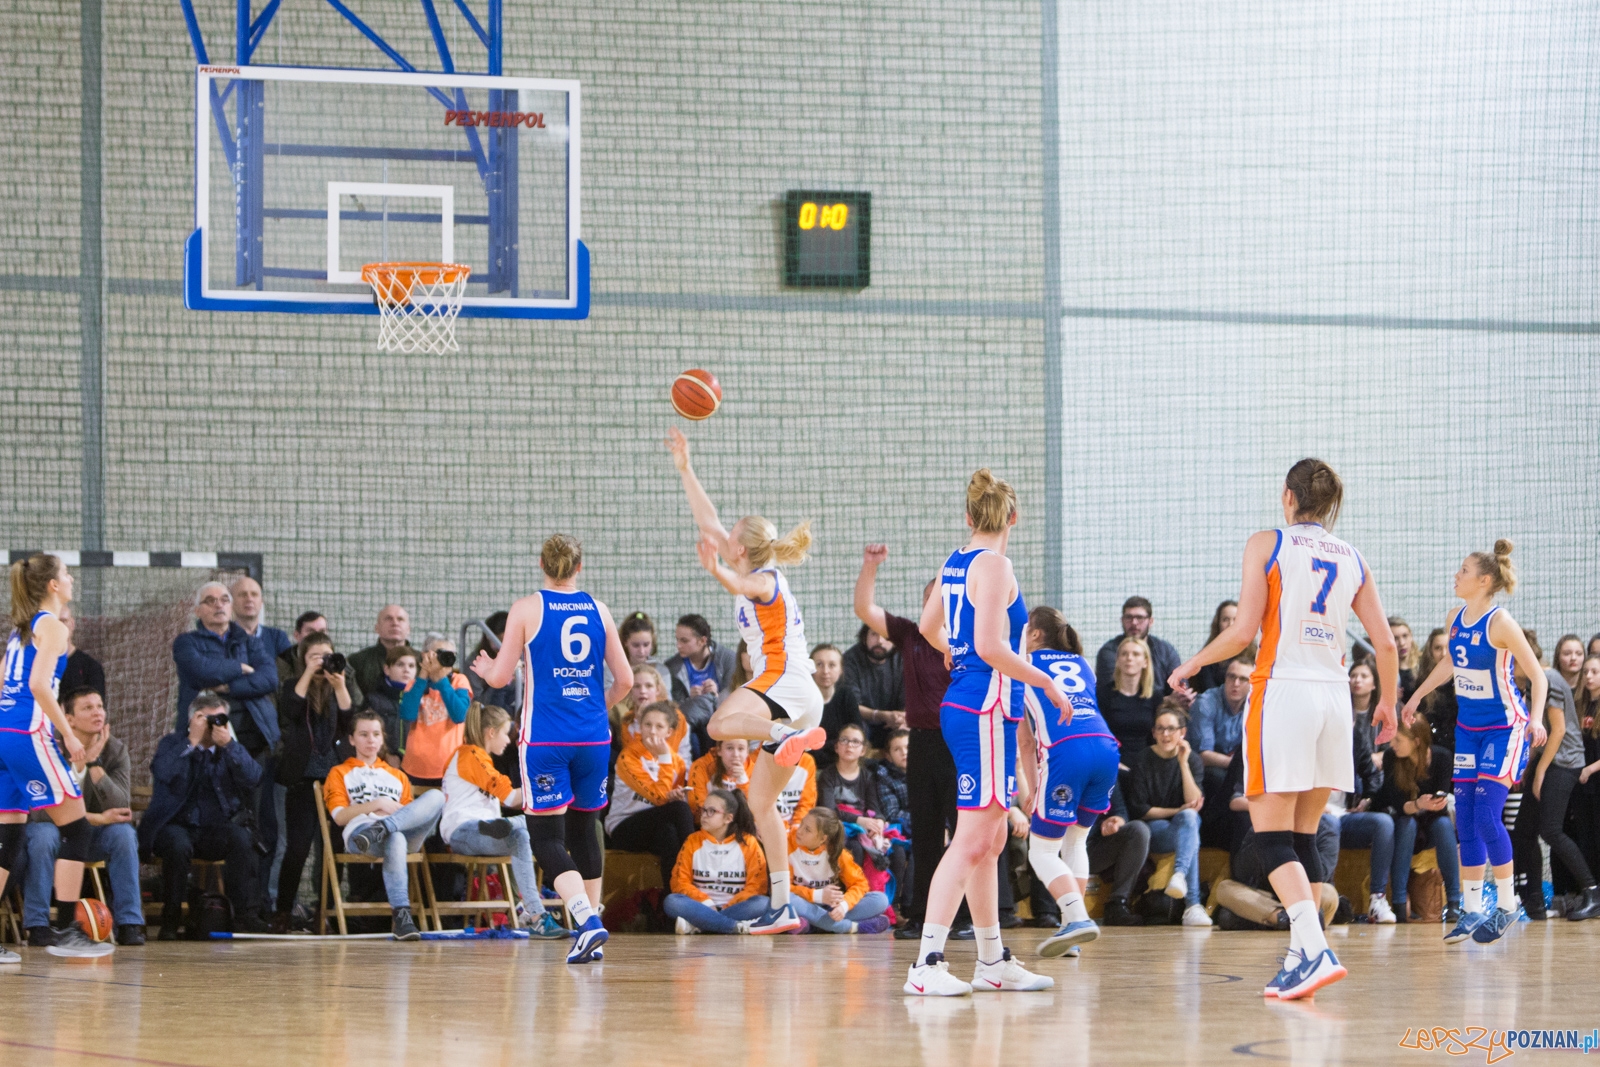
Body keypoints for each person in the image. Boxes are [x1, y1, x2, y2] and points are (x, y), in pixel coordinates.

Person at [1170, 458, 1398, 1001]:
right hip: (1335, 699)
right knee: (1303, 835)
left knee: (1270, 836)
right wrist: (1388, 701)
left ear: (1288, 496)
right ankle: (1302, 957)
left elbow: (1243, 631)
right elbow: (1386, 644)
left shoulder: (1266, 543)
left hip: (1283, 693)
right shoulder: (1353, 556)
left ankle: (1314, 951)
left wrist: (1190, 665)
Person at [905, 468, 1064, 997]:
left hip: (969, 704)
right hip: (985, 706)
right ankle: (927, 962)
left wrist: (956, 652)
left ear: (968, 516)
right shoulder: (995, 566)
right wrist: (1047, 683)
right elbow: (994, 647)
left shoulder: (956, 561)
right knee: (974, 837)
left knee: (993, 836)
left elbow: (930, 627)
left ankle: (993, 960)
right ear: (1013, 517)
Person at [666, 427, 827, 936]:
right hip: (802, 699)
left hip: (784, 684)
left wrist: (715, 570)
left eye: (728, 534)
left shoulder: (763, 580)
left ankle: (781, 734)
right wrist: (685, 466)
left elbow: (739, 582)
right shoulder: (758, 566)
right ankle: (783, 906)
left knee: (716, 726)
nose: (720, 534)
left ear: (741, 547)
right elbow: (706, 518)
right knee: (760, 804)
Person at [470, 533, 633, 964]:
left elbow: (502, 678)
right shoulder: (599, 610)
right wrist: (597, 708)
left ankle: (586, 922)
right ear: (580, 567)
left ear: (542, 563)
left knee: (546, 837)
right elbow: (626, 681)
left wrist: (488, 668)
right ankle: (591, 925)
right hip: (595, 738)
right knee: (585, 830)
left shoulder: (526, 608)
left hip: (546, 739)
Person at [1400, 540, 1546, 946]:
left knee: (1486, 817)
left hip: (1504, 727)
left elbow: (1538, 675)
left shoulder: (1501, 623)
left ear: (1484, 580)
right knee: (1463, 819)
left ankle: (1507, 904)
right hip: (1469, 728)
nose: (1455, 575)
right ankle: (1471, 908)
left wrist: (1535, 720)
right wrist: (1414, 698)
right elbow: (1450, 664)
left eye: (1463, 570)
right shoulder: (1455, 618)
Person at [0, 555, 116, 958]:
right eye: (66, 574)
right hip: (30, 735)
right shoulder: (52, 627)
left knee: (8, 836)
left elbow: (3, 683)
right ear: (52, 585)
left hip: (5, 735)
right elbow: (38, 685)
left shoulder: (20, 631)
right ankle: (67, 931)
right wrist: (67, 735)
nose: (71, 580)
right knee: (77, 828)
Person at [1012, 606, 1119, 956]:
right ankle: (1069, 928)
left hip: (1067, 752)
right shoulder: (1083, 664)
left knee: (1041, 850)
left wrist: (1031, 786)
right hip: (1106, 749)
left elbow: (1026, 742)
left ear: (1036, 634)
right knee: (1076, 842)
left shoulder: (1021, 665)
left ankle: (1076, 918)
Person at [20, 686, 143, 946]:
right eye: (88, 708)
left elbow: (120, 806)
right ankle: (38, 925)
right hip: (55, 831)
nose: (97, 713)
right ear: (69, 719)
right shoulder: (48, 748)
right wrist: (97, 818)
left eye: (99, 706)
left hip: (92, 838)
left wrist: (94, 763)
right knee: (42, 836)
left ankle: (130, 923)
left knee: (124, 834)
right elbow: (41, 813)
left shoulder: (115, 750)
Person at [140, 693, 267, 939]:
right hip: (175, 825)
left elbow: (254, 778)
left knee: (241, 839)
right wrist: (192, 741)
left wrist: (230, 745)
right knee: (178, 845)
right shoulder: (173, 743)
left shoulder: (229, 749)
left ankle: (243, 916)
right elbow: (163, 772)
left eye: (221, 719)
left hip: (214, 828)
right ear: (193, 720)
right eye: (208, 719)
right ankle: (170, 919)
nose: (215, 725)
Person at [440, 703, 567, 939]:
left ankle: (536, 916)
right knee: (532, 825)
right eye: (505, 733)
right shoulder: (469, 755)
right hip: (462, 831)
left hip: (483, 833)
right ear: (490, 732)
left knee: (521, 835)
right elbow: (510, 797)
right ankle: (517, 824)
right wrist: (551, 789)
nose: (509, 740)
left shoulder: (479, 758)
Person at [324, 708, 443, 941]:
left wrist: (391, 816)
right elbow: (339, 816)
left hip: (400, 831)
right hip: (362, 835)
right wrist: (376, 804)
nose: (371, 740)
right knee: (396, 837)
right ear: (351, 739)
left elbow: (411, 813)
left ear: (382, 738)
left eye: (376, 734)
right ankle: (402, 918)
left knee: (437, 797)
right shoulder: (339, 772)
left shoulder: (397, 775)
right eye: (364, 734)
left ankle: (384, 827)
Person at [1511, 632, 1600, 921]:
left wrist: (1539, 772)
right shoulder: (1534, 683)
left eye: (1511, 663)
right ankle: (1534, 902)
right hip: (1550, 761)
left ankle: (1592, 891)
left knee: (1551, 830)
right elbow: (1540, 731)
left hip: (1565, 762)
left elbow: (1558, 730)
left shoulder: (1546, 679)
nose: (1509, 670)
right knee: (1524, 829)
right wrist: (1528, 767)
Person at [271, 631, 353, 933]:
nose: (321, 662)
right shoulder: (295, 685)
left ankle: (326, 911)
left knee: (332, 848)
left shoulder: (338, 686)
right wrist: (308, 671)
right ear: (302, 658)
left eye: (325, 655)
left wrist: (339, 682)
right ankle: (283, 911)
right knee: (298, 848)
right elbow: (291, 708)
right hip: (302, 781)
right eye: (313, 656)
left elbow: (349, 720)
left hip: (335, 781)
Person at [1125, 702, 1210, 926]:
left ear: (1182, 733)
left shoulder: (1192, 760)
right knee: (1189, 827)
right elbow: (1141, 810)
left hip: (1184, 826)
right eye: (1160, 729)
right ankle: (1193, 905)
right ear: (1153, 732)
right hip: (1156, 829)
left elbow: (1193, 804)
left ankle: (1179, 876)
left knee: (1191, 820)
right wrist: (1177, 810)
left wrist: (1183, 764)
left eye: (1171, 729)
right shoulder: (1143, 759)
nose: (1165, 734)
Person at [1369, 716, 1461, 923]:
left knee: (1444, 825)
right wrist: (1419, 804)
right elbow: (1395, 802)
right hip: (1404, 816)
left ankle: (1454, 902)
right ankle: (1400, 902)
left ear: (1417, 742)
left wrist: (1431, 804)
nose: (1392, 745)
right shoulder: (1392, 758)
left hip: (1432, 818)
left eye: (1398, 740)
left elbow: (1441, 801)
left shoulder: (1442, 757)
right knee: (1407, 824)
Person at [171, 582, 279, 755]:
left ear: (231, 607)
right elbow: (202, 672)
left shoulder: (250, 642)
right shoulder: (186, 642)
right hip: (207, 738)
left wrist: (229, 687)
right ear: (197, 611)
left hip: (258, 735)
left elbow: (270, 679)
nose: (218, 604)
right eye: (210, 600)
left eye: (224, 600)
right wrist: (240, 667)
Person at [605, 701, 695, 886]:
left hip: (655, 825)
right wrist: (664, 758)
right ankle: (695, 864)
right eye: (647, 725)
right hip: (623, 826)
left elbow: (666, 798)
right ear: (640, 726)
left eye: (659, 726)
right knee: (679, 809)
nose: (652, 731)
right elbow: (659, 796)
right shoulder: (628, 757)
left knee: (668, 834)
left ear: (669, 732)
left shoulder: (676, 761)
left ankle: (673, 905)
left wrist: (675, 795)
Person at [816, 722, 907, 897]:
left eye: (855, 742)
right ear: (836, 747)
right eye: (844, 740)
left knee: (897, 852)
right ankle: (851, 896)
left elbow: (875, 807)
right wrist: (860, 821)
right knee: (854, 848)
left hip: (864, 827)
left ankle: (891, 905)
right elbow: (830, 810)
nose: (849, 745)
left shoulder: (867, 776)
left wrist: (878, 822)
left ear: (863, 750)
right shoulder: (828, 775)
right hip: (841, 827)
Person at [664, 788, 769, 934]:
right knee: (672, 901)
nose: (704, 816)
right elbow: (679, 881)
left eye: (711, 811)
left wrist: (728, 906)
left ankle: (701, 925)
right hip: (700, 906)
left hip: (735, 907)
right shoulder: (692, 841)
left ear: (728, 818)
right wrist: (706, 902)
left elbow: (757, 886)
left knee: (762, 904)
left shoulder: (748, 843)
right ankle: (733, 927)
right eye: (703, 810)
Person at [1327, 703, 1392, 924]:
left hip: (1344, 814)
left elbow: (1372, 774)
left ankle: (1377, 899)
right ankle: (1328, 898)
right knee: (1330, 825)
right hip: (1313, 815)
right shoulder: (1310, 739)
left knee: (1383, 823)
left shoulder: (1354, 739)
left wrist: (1367, 800)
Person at [789, 807, 891, 934]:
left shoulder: (838, 853)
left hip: (830, 907)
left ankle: (814, 925)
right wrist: (817, 895)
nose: (799, 831)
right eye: (802, 824)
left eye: (807, 829)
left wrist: (844, 906)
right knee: (787, 899)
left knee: (881, 900)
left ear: (823, 839)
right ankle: (852, 927)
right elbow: (781, 888)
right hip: (804, 903)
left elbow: (860, 884)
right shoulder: (787, 843)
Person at [1190, 652, 1253, 839]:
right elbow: (1204, 755)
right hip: (1206, 770)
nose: (1235, 684)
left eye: (1243, 679)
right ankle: (1211, 830)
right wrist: (1236, 765)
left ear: (1252, 684)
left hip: (1236, 769)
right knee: (1219, 778)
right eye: (1231, 677)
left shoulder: (1255, 706)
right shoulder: (1206, 703)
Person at [398, 635, 472, 788]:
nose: (445, 658)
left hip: (450, 767)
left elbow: (459, 715)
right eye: (440, 653)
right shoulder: (415, 684)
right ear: (425, 655)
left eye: (450, 655)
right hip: (416, 767)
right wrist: (424, 674)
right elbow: (407, 714)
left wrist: (441, 680)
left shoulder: (459, 681)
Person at [664, 614, 739, 751]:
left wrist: (717, 695)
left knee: (707, 707)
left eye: (684, 641)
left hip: (719, 717)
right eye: (677, 640)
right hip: (690, 724)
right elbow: (673, 706)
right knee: (693, 737)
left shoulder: (728, 660)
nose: (678, 645)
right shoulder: (673, 666)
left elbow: (735, 696)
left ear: (702, 641)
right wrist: (689, 699)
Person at [1095, 597, 1183, 703]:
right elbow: (1112, 692)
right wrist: (1165, 700)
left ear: (1150, 621)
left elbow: (1178, 688)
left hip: (1163, 711)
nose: (1134, 623)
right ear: (1122, 620)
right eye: (1129, 617)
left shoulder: (1166, 651)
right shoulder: (1109, 651)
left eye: (1140, 618)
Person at [1099, 636, 1163, 759]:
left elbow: (1156, 738)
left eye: (1136, 654)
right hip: (1113, 762)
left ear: (1145, 662)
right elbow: (1101, 736)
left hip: (1146, 764)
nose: (1129, 658)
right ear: (1117, 660)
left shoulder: (1155, 696)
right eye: (1124, 654)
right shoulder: (1104, 694)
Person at [841, 625, 906, 742]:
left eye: (886, 637)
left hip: (895, 722)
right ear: (865, 637)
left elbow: (911, 700)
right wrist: (881, 715)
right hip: (863, 721)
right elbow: (851, 706)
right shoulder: (849, 660)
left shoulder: (903, 659)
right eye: (874, 634)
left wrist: (901, 718)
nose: (879, 641)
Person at [809, 643, 863, 769]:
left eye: (832, 665)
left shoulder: (846, 696)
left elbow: (856, 734)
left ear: (841, 670)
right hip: (809, 763)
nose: (825, 671)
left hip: (841, 764)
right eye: (819, 664)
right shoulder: (802, 699)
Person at [358, 644, 416, 759]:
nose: (406, 670)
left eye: (411, 666)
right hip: (383, 763)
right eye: (400, 664)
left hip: (415, 764)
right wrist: (386, 755)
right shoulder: (374, 700)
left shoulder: (422, 700)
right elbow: (365, 734)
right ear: (387, 669)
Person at [348, 605, 412, 705]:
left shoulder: (422, 662)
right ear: (377, 628)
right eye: (388, 619)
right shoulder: (357, 662)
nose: (395, 623)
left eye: (400, 619)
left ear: (408, 629)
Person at [687, 737, 751, 819]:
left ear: (747, 752)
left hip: (741, 827)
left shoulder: (755, 770)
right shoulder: (701, 766)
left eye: (741, 749)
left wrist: (742, 781)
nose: (735, 754)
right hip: (710, 827)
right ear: (719, 750)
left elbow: (754, 814)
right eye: (730, 748)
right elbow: (697, 809)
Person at [1416, 627, 1458, 743]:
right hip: (1432, 746)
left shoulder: (1463, 681)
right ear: (1430, 652)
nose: (1444, 654)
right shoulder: (1422, 684)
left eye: (1448, 648)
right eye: (1438, 648)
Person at [57, 606, 105, 698]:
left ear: (72, 624)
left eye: (63, 621)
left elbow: (94, 708)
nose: (59, 626)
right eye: (54, 622)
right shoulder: (36, 666)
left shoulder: (91, 668)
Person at [1190, 601, 1238, 694]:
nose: (1230, 624)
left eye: (1235, 620)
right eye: (1226, 620)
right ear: (1218, 624)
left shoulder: (1253, 655)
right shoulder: (1207, 657)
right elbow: (1208, 691)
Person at [1348, 660, 1384, 767]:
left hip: (1376, 768)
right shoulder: (1342, 710)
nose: (1357, 680)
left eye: (1364, 676)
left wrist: (1377, 757)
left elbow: (1390, 747)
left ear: (1374, 684)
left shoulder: (1382, 712)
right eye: (1353, 676)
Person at [1390, 617, 1421, 701]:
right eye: (1395, 638)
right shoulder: (1383, 669)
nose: (1402, 643)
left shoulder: (1423, 663)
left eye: (1405, 636)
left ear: (1411, 636)